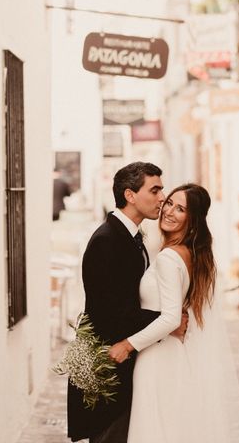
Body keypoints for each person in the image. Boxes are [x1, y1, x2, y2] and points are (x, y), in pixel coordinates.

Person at [108, 183, 239, 443]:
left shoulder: (169, 258)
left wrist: (127, 345)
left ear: (193, 219)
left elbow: (171, 317)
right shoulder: (190, 254)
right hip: (172, 353)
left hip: (157, 356)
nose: (169, 211)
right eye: (170, 203)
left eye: (181, 209)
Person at [67, 162, 187, 443]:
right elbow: (110, 312)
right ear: (130, 195)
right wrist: (168, 321)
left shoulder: (131, 237)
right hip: (109, 363)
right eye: (154, 190)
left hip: (125, 359)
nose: (162, 198)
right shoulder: (107, 240)